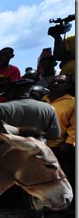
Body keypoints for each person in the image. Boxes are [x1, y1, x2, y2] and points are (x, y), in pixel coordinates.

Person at [0, 78, 60, 218]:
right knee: (33, 193)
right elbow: (55, 135)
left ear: (14, 91)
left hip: (5, 157)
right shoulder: (48, 109)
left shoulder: (0, 108)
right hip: (33, 159)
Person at [43, 74, 75, 209]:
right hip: (41, 145)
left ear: (68, 86)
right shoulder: (42, 99)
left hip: (59, 147)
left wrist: (69, 142)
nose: (55, 84)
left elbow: (75, 125)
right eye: (54, 81)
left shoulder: (73, 102)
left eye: (60, 82)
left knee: (59, 177)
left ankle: (62, 205)